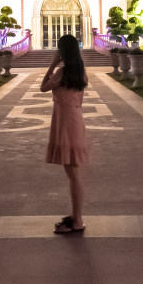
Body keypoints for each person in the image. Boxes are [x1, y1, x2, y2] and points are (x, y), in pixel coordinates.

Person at [40, 33, 88, 234]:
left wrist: (51, 65)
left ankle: (77, 219)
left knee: (73, 174)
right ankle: (76, 216)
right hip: (75, 120)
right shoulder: (80, 72)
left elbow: (43, 87)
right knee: (73, 173)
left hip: (66, 123)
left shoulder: (61, 73)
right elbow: (80, 100)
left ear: (62, 52)